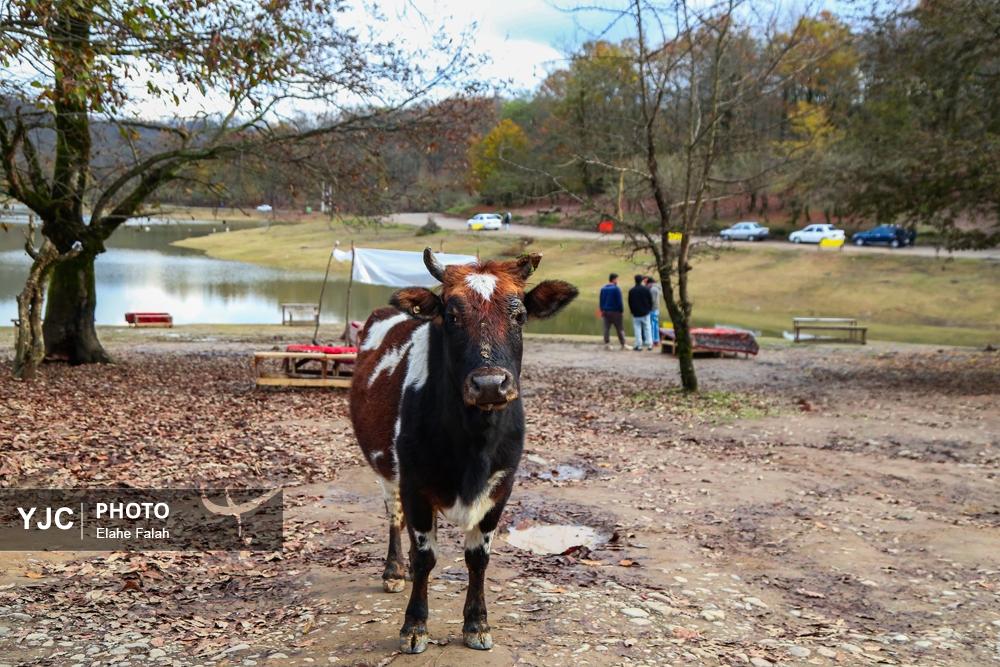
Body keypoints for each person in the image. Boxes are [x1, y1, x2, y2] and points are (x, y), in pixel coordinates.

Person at [599, 273, 626, 350]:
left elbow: (601, 301)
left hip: (605, 312)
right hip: (616, 312)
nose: (617, 281)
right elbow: (619, 302)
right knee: (620, 328)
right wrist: (621, 311)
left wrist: (602, 310)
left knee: (606, 329)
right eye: (617, 279)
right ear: (614, 279)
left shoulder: (603, 289)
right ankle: (623, 344)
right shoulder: (616, 289)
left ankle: (607, 344)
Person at [627, 274, 653, 351]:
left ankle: (639, 345)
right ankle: (649, 344)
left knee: (637, 329)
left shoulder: (632, 291)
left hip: (636, 313)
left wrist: (632, 311)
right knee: (647, 328)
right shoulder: (646, 289)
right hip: (645, 312)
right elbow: (650, 300)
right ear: (641, 280)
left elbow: (630, 302)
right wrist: (649, 309)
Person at [644, 276, 662, 347]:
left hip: (652, 309)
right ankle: (655, 340)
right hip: (655, 309)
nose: (644, 283)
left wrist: (647, 307)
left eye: (645, 282)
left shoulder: (653, 289)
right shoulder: (655, 288)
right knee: (654, 324)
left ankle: (654, 340)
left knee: (653, 325)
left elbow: (652, 300)